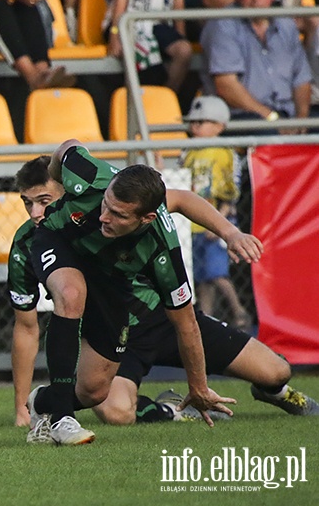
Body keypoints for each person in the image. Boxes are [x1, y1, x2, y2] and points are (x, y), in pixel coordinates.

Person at [9, 156, 318, 434]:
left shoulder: (146, 227)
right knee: (113, 409)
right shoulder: (49, 233)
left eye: (44, 199)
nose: (38, 212)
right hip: (120, 331)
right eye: (28, 203)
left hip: (161, 318)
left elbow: (180, 199)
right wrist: (20, 407)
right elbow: (26, 326)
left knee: (277, 370)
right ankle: (169, 411)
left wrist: (230, 232)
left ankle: (271, 391)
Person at [26, 139, 241, 445]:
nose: (104, 217)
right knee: (71, 293)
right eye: (105, 205)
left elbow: (186, 324)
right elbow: (66, 148)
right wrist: (57, 177)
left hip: (112, 279)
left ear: (147, 218)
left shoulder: (162, 251)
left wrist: (198, 387)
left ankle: (44, 402)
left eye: (118, 215)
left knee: (94, 390)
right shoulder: (90, 176)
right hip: (60, 244)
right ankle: (61, 418)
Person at [199, 0, 311, 129]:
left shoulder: (286, 24)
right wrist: (272, 119)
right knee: (268, 136)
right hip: (239, 117)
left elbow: (302, 80)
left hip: (287, 115)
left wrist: (302, 120)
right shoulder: (222, 25)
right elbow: (226, 86)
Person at [179, 96, 250, 329]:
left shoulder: (224, 152)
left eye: (203, 122)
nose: (195, 126)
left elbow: (230, 190)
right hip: (193, 224)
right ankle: (206, 319)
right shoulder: (188, 152)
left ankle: (239, 311)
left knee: (217, 273)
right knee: (202, 277)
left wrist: (220, 219)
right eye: (193, 122)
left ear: (220, 126)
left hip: (215, 224)